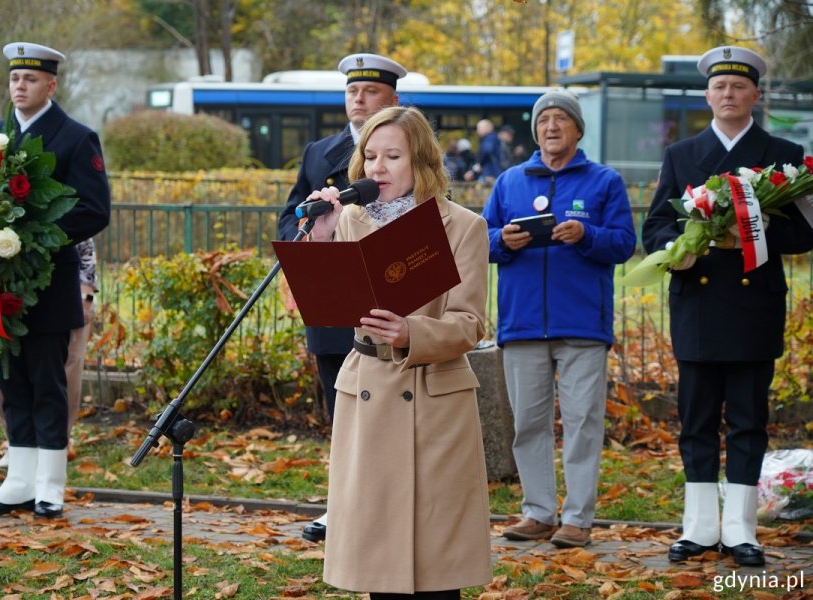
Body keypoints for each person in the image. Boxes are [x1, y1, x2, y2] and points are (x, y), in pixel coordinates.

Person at [306, 105, 491, 598]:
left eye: (392, 156)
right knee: (378, 563)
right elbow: (327, 303)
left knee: (435, 571)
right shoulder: (349, 218)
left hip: (434, 402)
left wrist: (411, 332)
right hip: (368, 392)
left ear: (421, 161)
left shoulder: (464, 227)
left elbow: (471, 324)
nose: (377, 168)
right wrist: (320, 239)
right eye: (370, 156)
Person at [642, 46, 813, 566]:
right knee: (696, 420)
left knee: (747, 419)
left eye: (739, 87)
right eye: (719, 87)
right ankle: (696, 527)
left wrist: (748, 239)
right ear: (707, 96)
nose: (728, 95)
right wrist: (687, 244)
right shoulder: (681, 154)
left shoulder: (783, 152)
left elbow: (806, 231)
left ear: (756, 95)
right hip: (696, 305)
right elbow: (654, 228)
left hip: (753, 307)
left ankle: (741, 530)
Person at [481, 90, 636, 548]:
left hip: (583, 325)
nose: (552, 127)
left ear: (577, 129)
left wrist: (587, 234)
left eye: (561, 120)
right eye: (544, 120)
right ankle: (538, 513)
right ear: (535, 130)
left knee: (582, 423)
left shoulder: (604, 181)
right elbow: (482, 240)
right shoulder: (509, 182)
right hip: (523, 324)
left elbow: (625, 243)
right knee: (528, 424)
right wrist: (502, 241)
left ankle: (577, 519)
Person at [0, 42, 111, 519]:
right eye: (14, 79)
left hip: (50, 281)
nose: (19, 87)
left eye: (29, 80)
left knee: (47, 382)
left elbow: (94, 210)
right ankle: (18, 481)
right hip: (1, 283)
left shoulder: (76, 137)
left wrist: (32, 235)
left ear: (50, 85)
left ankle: (49, 484)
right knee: (12, 381)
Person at [277, 52, 406, 543]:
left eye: (370, 91)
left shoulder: (411, 150)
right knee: (341, 405)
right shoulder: (320, 152)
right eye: (352, 91)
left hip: (391, 295)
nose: (359, 99)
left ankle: (387, 503)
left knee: (391, 408)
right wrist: (310, 232)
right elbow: (292, 214)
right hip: (335, 294)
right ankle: (342, 505)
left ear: (392, 100)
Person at [0, 238, 97, 467]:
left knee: (69, 370)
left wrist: (87, 294)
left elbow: (86, 247)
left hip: (70, 295)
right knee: (10, 369)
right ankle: (15, 442)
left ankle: (58, 443)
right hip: (19, 294)